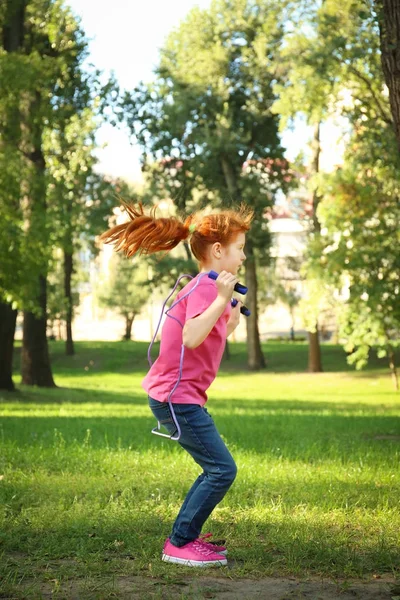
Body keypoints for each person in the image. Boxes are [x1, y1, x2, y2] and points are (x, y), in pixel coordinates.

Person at [100, 201, 253, 567]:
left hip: (181, 398)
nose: (244, 256)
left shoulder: (208, 287)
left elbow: (216, 332)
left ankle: (187, 536)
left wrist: (230, 312)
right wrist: (220, 300)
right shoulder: (205, 287)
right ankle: (180, 542)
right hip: (177, 398)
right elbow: (191, 336)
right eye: (240, 248)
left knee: (214, 468)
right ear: (219, 250)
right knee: (222, 470)